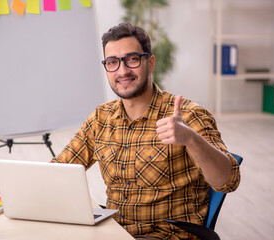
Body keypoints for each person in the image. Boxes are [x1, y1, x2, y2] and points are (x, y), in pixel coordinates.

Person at [51, 22, 240, 240]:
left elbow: (228, 181)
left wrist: (191, 139)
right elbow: (59, 170)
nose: (122, 71)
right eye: (113, 62)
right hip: (115, 231)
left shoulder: (188, 115)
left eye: (131, 59)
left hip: (169, 235)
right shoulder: (101, 118)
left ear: (150, 63)